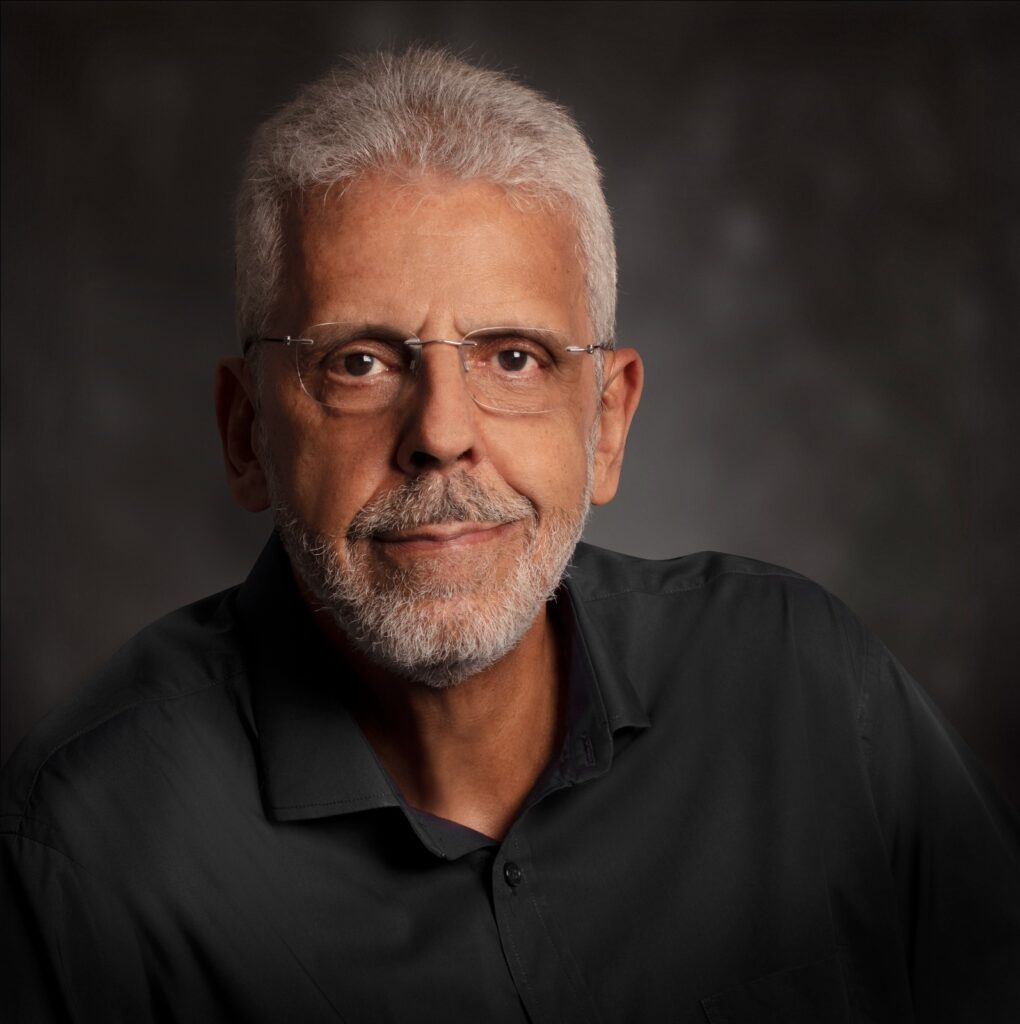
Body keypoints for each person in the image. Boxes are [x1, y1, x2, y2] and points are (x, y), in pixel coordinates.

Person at [2, 47, 1017, 1024]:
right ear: (247, 434)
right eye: (359, 362)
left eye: (516, 357)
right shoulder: (83, 856)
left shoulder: (810, 692)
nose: (442, 434)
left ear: (607, 422)